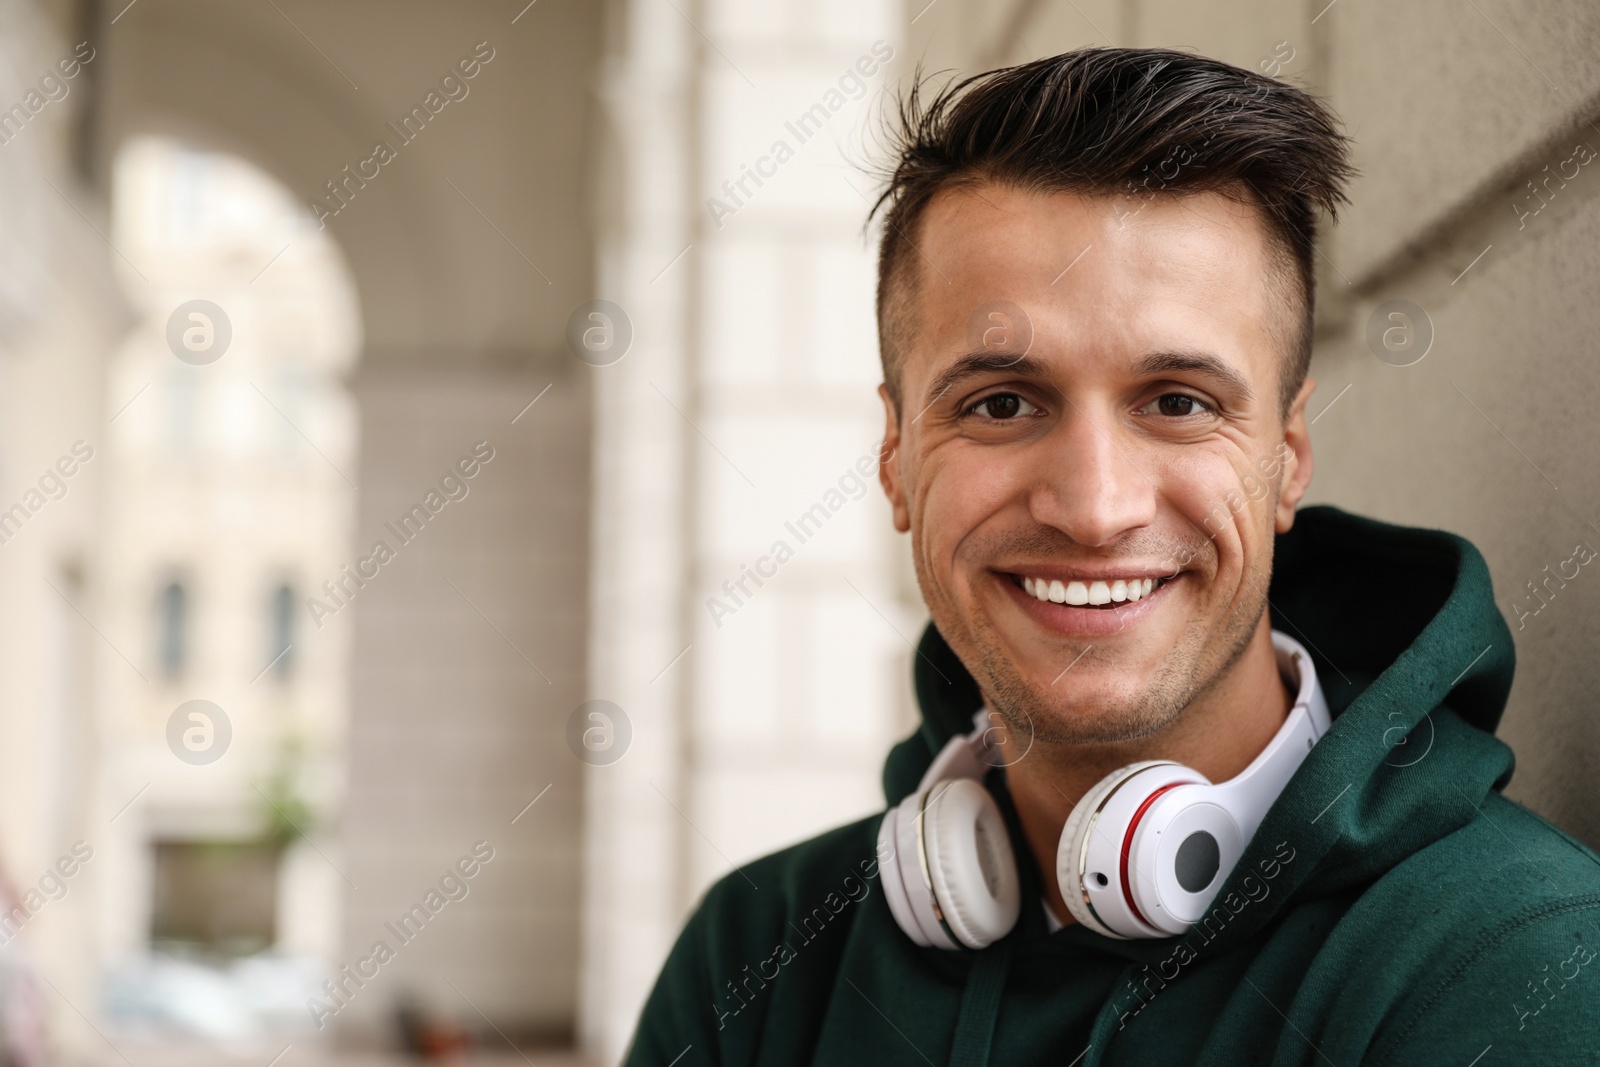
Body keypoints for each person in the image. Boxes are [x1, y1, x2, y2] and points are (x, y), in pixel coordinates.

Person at [624, 47, 1600, 1065]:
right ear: (895, 456)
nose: (1093, 509)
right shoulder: (759, 960)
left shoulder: (1513, 966)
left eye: (1178, 402)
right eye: (1001, 403)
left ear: (1286, 457)